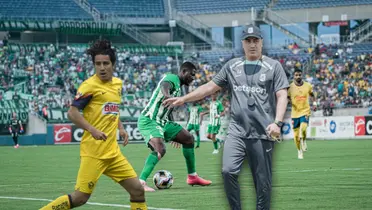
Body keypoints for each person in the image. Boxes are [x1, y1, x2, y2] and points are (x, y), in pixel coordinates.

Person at [163, 24, 289, 210]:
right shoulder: (232, 66)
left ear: (261, 43)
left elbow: (282, 95)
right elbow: (208, 87)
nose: (252, 44)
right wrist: (184, 98)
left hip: (263, 134)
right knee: (227, 171)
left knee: (263, 183)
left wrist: (277, 123)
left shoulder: (274, 67)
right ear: (243, 43)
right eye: (248, 40)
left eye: (256, 40)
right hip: (237, 133)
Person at [40, 40, 147, 210]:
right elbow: (72, 113)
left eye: (106, 63)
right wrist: (92, 129)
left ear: (113, 64)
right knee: (80, 198)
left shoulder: (118, 84)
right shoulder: (89, 86)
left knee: (137, 191)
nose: (102, 67)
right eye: (98, 64)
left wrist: (120, 128)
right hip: (94, 153)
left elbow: (112, 109)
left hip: (113, 154)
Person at [137, 61, 212, 192]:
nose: (193, 78)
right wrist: (167, 95)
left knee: (188, 138)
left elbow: (169, 110)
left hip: (163, 122)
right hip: (149, 120)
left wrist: (172, 133)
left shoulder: (179, 88)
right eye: (192, 74)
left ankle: (192, 177)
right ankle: (141, 182)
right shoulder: (172, 78)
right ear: (183, 72)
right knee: (160, 149)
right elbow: (164, 85)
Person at [288, 69, 313, 159]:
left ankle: (304, 140)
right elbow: (287, 98)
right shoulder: (290, 87)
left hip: (305, 111)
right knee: (296, 136)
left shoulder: (308, 85)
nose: (298, 76)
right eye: (296, 75)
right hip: (295, 113)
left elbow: (312, 95)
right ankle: (299, 151)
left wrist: (314, 104)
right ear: (294, 76)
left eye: (299, 75)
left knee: (303, 128)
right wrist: (288, 102)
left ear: (302, 75)